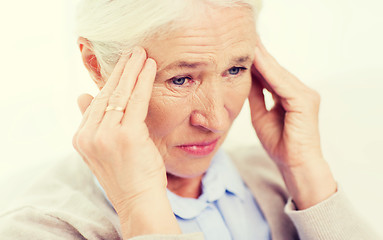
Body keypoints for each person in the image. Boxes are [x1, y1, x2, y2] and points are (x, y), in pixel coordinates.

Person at [0, 0, 380, 239]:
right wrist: (140, 207)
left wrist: (308, 175)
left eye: (235, 68)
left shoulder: (278, 177)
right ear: (96, 65)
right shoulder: (39, 229)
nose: (216, 120)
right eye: (180, 78)